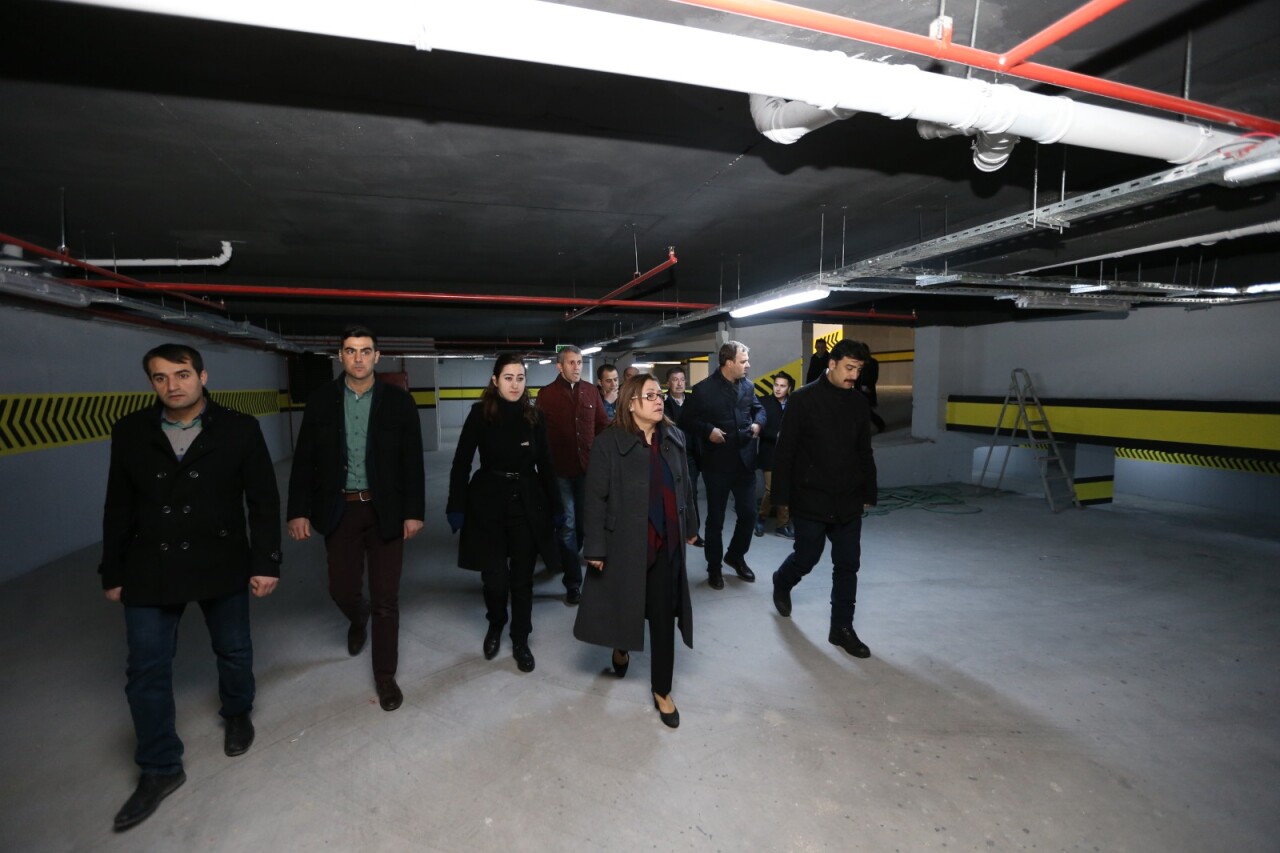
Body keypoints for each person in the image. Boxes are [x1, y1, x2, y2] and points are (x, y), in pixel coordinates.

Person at [100, 343, 281, 831]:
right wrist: (112, 570)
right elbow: (118, 504)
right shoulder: (131, 430)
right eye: (160, 377)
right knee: (146, 670)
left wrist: (266, 561)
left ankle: (237, 711)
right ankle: (160, 766)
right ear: (151, 383)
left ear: (203, 376)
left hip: (219, 557)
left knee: (234, 649)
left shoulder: (240, 429)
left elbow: (263, 501)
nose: (172, 385)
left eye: (181, 374)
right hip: (149, 564)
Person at [286, 325, 425, 712]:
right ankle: (357, 615)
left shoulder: (398, 402)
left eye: (365, 351)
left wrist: (414, 512)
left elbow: (412, 462)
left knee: (386, 599)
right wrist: (297, 509)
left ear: (377, 357)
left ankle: (385, 676)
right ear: (341, 357)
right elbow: (304, 461)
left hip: (385, 510)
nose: (358, 358)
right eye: (351, 351)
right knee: (341, 588)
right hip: (341, 508)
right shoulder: (321, 401)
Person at [574, 373, 698, 728]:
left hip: (664, 543)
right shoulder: (608, 443)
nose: (659, 401)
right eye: (650, 396)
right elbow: (595, 499)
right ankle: (621, 644)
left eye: (660, 395)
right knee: (625, 605)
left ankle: (662, 690)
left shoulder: (674, 437)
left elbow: (685, 487)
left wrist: (690, 527)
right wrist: (595, 547)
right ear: (631, 403)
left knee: (662, 615)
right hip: (624, 545)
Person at [446, 354, 563, 673]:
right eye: (508, 378)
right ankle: (496, 622)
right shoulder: (480, 414)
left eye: (520, 378)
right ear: (495, 380)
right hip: (488, 502)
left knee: (522, 579)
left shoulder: (535, 416)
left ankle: (520, 638)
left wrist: (557, 507)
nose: (515, 384)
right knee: (495, 578)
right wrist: (456, 505)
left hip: (526, 502)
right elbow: (461, 461)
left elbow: (546, 464)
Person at [771, 339, 878, 660]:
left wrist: (869, 491)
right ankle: (782, 580)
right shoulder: (803, 400)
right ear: (831, 364)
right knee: (807, 557)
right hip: (811, 497)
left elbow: (864, 450)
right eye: (849, 368)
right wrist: (782, 499)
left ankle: (841, 628)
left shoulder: (859, 403)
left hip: (848, 498)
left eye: (858, 370)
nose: (854, 375)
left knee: (848, 564)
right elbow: (785, 452)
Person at [679, 341, 765, 590]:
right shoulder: (703, 390)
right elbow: (685, 419)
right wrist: (708, 431)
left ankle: (735, 556)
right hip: (717, 464)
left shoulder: (748, 386)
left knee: (749, 514)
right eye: (743, 361)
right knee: (715, 519)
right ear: (728, 363)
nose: (748, 365)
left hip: (745, 461)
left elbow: (759, 409)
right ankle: (714, 567)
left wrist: (758, 423)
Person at [536, 345, 610, 605]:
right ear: (560, 366)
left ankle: (566, 556)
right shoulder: (546, 395)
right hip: (560, 470)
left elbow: (602, 426)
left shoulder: (591, 391)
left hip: (588, 469)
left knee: (582, 523)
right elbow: (539, 435)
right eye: (571, 362)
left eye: (579, 362)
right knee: (567, 524)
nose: (577, 367)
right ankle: (573, 583)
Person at [664, 365, 703, 547]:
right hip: (671, 454)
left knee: (691, 492)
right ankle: (673, 532)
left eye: (681, 379)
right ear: (668, 383)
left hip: (691, 455)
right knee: (671, 494)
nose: (679, 383)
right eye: (675, 380)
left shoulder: (693, 401)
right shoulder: (663, 403)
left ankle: (693, 532)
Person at [755, 371, 793, 539]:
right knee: (771, 489)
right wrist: (777, 435)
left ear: (789, 388)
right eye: (776, 385)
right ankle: (761, 517)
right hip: (769, 452)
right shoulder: (764, 402)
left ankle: (782, 525)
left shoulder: (794, 403)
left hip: (789, 454)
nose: (778, 389)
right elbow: (759, 427)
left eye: (782, 386)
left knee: (785, 489)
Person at [858, 353, 886, 433]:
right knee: (864, 410)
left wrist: (866, 386)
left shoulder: (871, 363)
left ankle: (880, 424)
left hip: (866, 389)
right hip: (861, 389)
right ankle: (879, 424)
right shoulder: (860, 362)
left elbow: (873, 377)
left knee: (866, 410)